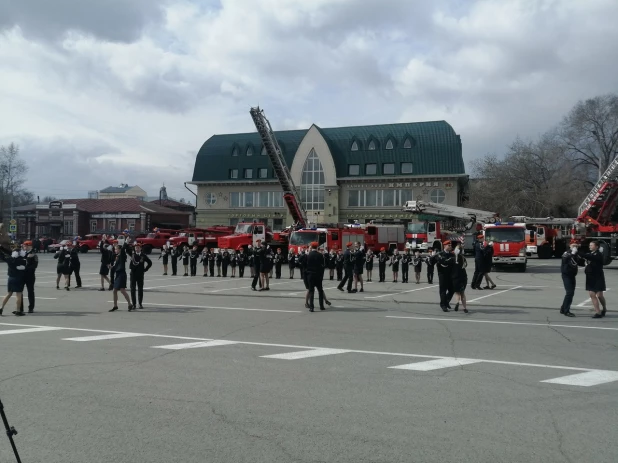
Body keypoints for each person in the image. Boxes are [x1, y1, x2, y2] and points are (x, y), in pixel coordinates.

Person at [581, 240, 607, 318]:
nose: (590, 246)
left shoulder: (598, 254)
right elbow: (582, 259)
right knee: (592, 294)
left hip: (598, 276)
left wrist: (579, 253)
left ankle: (604, 308)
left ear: (597, 246)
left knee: (599, 295)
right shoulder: (589, 254)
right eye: (589, 245)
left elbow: (590, 257)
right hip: (590, 276)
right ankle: (598, 312)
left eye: (591, 245)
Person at [0, 246, 27, 316]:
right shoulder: (23, 260)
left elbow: (3, 256)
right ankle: (18, 310)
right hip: (19, 278)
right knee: (18, 294)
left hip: (11, 278)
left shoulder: (10, 260)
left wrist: (1, 248)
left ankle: (1, 308)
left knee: (9, 294)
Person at [560, 240, 584, 317]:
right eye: (573, 246)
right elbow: (567, 260)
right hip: (566, 275)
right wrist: (573, 254)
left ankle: (563, 308)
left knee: (571, 293)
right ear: (570, 246)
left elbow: (580, 262)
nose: (575, 247)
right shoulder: (566, 253)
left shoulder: (576, 254)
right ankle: (566, 310)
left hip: (572, 275)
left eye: (576, 246)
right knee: (569, 292)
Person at [109, 243, 134, 312]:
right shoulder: (117, 256)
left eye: (116, 249)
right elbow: (115, 266)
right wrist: (111, 267)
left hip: (122, 274)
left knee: (122, 290)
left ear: (119, 250)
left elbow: (123, 249)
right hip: (118, 274)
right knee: (114, 290)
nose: (115, 250)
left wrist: (126, 242)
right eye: (115, 249)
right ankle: (115, 305)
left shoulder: (122, 255)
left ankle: (129, 304)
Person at [129, 243, 152, 310]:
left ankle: (140, 303)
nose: (137, 248)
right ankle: (134, 304)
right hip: (133, 274)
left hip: (140, 274)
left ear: (141, 248)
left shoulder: (143, 256)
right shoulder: (132, 255)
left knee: (140, 289)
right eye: (136, 247)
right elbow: (127, 250)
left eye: (138, 247)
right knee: (133, 289)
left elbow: (150, 263)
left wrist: (145, 269)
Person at [305, 242, 328, 312]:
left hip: (310, 275)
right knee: (320, 290)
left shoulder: (308, 255)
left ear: (311, 247)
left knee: (311, 291)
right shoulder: (320, 255)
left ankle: (311, 307)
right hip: (318, 275)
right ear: (317, 247)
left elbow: (306, 264)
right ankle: (321, 306)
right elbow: (323, 266)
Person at [19, 241, 38, 313]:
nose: (24, 247)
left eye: (26, 246)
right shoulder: (22, 253)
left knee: (30, 292)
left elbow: (34, 266)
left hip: (30, 276)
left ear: (30, 246)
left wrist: (25, 268)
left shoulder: (34, 254)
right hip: (22, 276)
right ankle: (20, 308)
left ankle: (31, 307)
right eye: (24, 246)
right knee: (20, 291)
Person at [436, 241, 455, 312]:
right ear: (444, 246)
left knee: (452, 290)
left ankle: (446, 302)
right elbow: (443, 262)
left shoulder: (452, 254)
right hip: (442, 275)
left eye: (450, 245)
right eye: (448, 245)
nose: (450, 246)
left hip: (450, 274)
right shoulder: (440, 254)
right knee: (443, 291)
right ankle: (443, 305)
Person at [451, 246, 469, 313]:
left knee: (457, 293)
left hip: (455, 277)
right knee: (463, 293)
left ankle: (457, 302)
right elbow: (465, 265)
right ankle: (464, 308)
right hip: (463, 277)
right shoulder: (463, 258)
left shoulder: (453, 257)